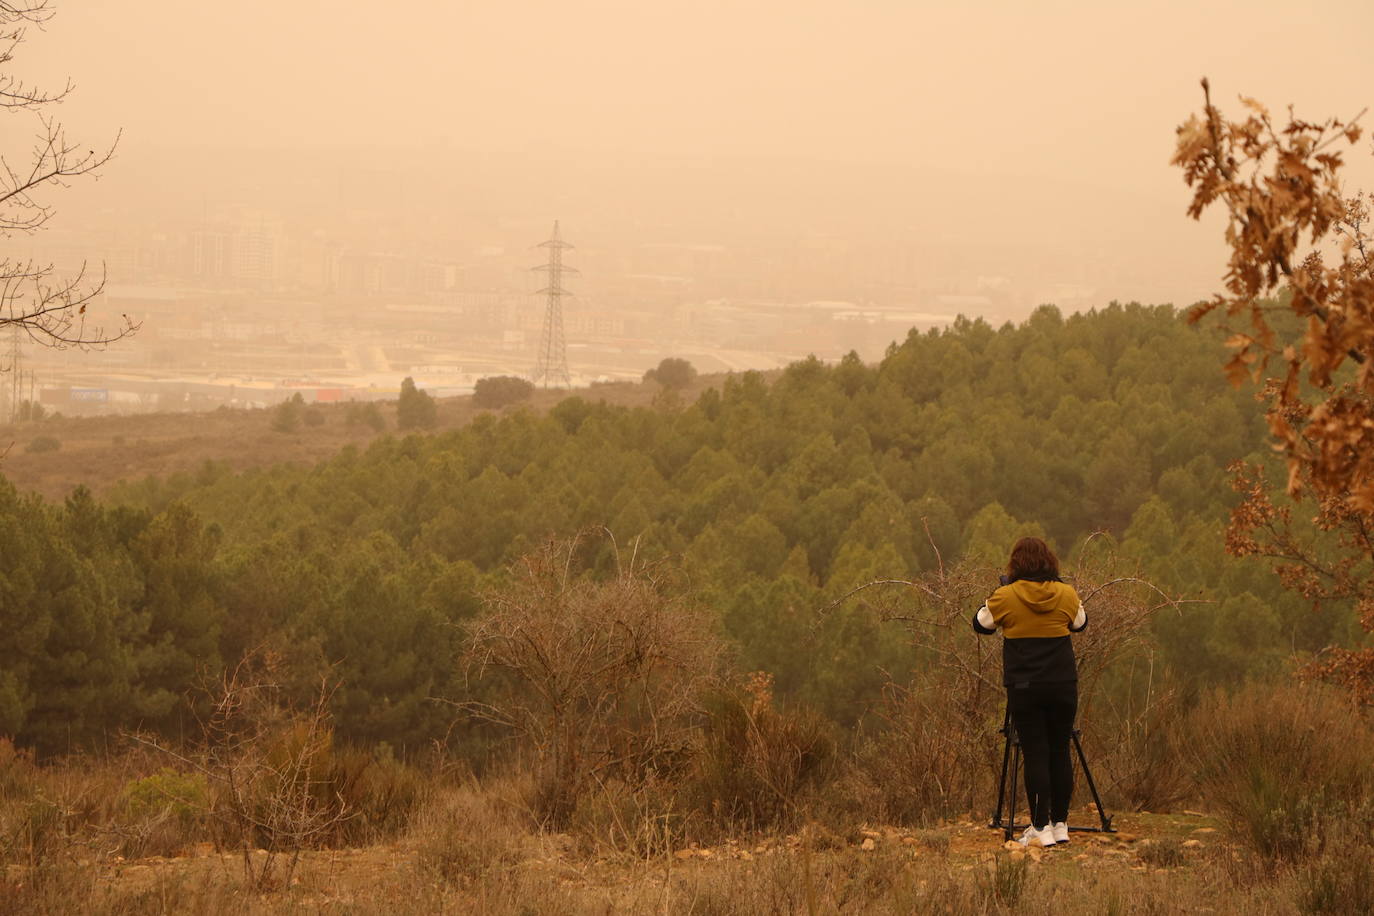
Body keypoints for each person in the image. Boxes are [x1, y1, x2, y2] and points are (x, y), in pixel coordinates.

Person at [973, 536, 1087, 848]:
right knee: (1060, 749)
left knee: (1035, 751)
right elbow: (1080, 623)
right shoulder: (1066, 593)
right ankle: (1060, 824)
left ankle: (1039, 827)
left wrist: (998, 596)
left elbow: (981, 624)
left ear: (1016, 564)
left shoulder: (1006, 595)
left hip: (1025, 686)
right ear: (1050, 561)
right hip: (1063, 683)